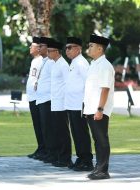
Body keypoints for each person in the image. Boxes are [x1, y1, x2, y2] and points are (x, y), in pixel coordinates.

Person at [84, 34, 114, 180]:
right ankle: (98, 167)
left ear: (100, 49)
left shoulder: (105, 66)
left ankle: (103, 170)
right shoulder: (94, 64)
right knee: (97, 139)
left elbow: (105, 89)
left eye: (91, 46)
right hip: (91, 108)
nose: (88, 48)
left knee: (101, 139)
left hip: (99, 109)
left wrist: (100, 109)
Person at [64, 36, 93, 171]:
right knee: (75, 133)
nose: (67, 51)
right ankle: (80, 158)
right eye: (66, 48)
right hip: (71, 104)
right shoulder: (74, 62)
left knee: (81, 132)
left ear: (78, 49)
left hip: (79, 104)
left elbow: (89, 83)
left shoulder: (81, 63)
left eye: (70, 48)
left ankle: (87, 160)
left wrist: (86, 102)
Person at [47, 38, 73, 167]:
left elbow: (68, 83)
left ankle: (65, 158)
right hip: (55, 102)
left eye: (50, 51)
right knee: (57, 131)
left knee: (63, 132)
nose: (48, 53)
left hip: (62, 103)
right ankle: (59, 156)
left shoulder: (63, 64)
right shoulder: (55, 64)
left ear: (57, 51)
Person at [35, 37, 53, 162]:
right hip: (41, 99)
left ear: (47, 48)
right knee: (44, 128)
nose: (39, 48)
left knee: (49, 129)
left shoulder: (51, 62)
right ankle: (47, 151)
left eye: (41, 46)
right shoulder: (44, 61)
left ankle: (51, 152)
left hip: (48, 99)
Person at [26, 37, 45, 159]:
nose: (29, 47)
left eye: (32, 46)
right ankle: (40, 147)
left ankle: (44, 148)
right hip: (32, 97)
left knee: (41, 125)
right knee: (37, 125)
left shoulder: (41, 61)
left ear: (38, 48)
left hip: (37, 97)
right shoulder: (35, 61)